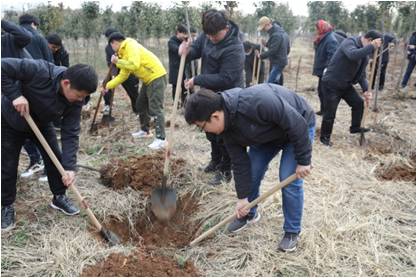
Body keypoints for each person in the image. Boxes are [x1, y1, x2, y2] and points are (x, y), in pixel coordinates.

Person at [184, 84, 315, 252]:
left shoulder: (259, 101)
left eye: (201, 127)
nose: (204, 131)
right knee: (253, 171)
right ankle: (249, 214)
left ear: (215, 116)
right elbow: (240, 163)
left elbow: (296, 124)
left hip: (298, 125)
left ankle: (292, 232)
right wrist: (242, 198)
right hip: (267, 135)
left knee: (288, 179)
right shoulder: (226, 131)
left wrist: (304, 160)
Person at [1, 58, 98, 231]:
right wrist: (15, 95)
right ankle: (6, 206)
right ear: (66, 83)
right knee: (8, 165)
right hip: (12, 119)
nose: (80, 100)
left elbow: (71, 131)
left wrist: (69, 167)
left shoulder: (76, 101)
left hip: (42, 122)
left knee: (56, 159)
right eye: (79, 95)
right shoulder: (38, 71)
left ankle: (59, 197)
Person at [179, 9, 245, 185]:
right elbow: (196, 50)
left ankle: (225, 170)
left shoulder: (235, 47)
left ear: (226, 27)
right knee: (210, 131)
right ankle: (215, 161)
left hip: (228, 95)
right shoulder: (207, 35)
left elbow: (227, 78)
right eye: (208, 35)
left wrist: (197, 79)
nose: (211, 39)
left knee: (224, 135)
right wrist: (186, 50)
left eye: (215, 35)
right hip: (209, 93)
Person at [105, 33, 168, 150]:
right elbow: (123, 75)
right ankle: (145, 130)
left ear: (114, 42)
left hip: (156, 76)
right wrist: (108, 85)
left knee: (155, 108)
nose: (111, 49)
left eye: (111, 46)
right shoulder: (123, 53)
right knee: (140, 104)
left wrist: (117, 62)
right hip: (147, 80)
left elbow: (134, 65)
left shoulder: (130, 45)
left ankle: (161, 139)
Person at [320, 30, 382, 146]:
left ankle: (355, 127)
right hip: (332, 83)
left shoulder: (365, 54)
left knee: (358, 103)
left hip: (345, 84)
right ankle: (325, 139)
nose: (372, 50)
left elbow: (361, 75)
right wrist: (372, 47)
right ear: (369, 40)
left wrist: (366, 90)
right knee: (330, 113)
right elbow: (353, 55)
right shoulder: (349, 42)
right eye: (372, 45)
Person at [19, 14, 54, 180]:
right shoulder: (39, 38)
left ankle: (36, 159)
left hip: (17, 93)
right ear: (34, 23)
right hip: (39, 91)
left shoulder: (8, 37)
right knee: (43, 129)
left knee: (22, 128)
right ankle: (47, 166)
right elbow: (50, 64)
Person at [103, 28, 139, 118]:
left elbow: (131, 62)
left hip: (130, 72)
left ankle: (138, 111)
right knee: (132, 93)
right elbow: (110, 61)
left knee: (134, 93)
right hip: (121, 73)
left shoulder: (128, 45)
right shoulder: (109, 47)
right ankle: (107, 110)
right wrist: (113, 74)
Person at [312, 19, 339, 116]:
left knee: (324, 92)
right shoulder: (322, 37)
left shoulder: (331, 40)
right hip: (322, 70)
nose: (316, 30)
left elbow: (332, 56)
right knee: (320, 91)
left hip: (326, 71)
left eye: (317, 28)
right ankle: (323, 110)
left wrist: (326, 69)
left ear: (322, 28)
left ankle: (327, 111)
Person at [257, 17, 290, 85]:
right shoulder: (280, 32)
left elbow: (273, 50)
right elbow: (280, 47)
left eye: (263, 28)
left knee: (269, 83)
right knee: (276, 82)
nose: (263, 30)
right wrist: (265, 44)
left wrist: (261, 55)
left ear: (268, 24)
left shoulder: (276, 34)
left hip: (278, 62)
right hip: (280, 61)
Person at [168, 24, 189, 106]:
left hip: (184, 68)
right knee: (175, 86)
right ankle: (176, 103)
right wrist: (184, 43)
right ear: (178, 33)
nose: (185, 35)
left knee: (184, 86)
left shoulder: (183, 40)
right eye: (183, 33)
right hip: (175, 68)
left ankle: (184, 103)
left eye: (186, 33)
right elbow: (178, 50)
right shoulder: (171, 41)